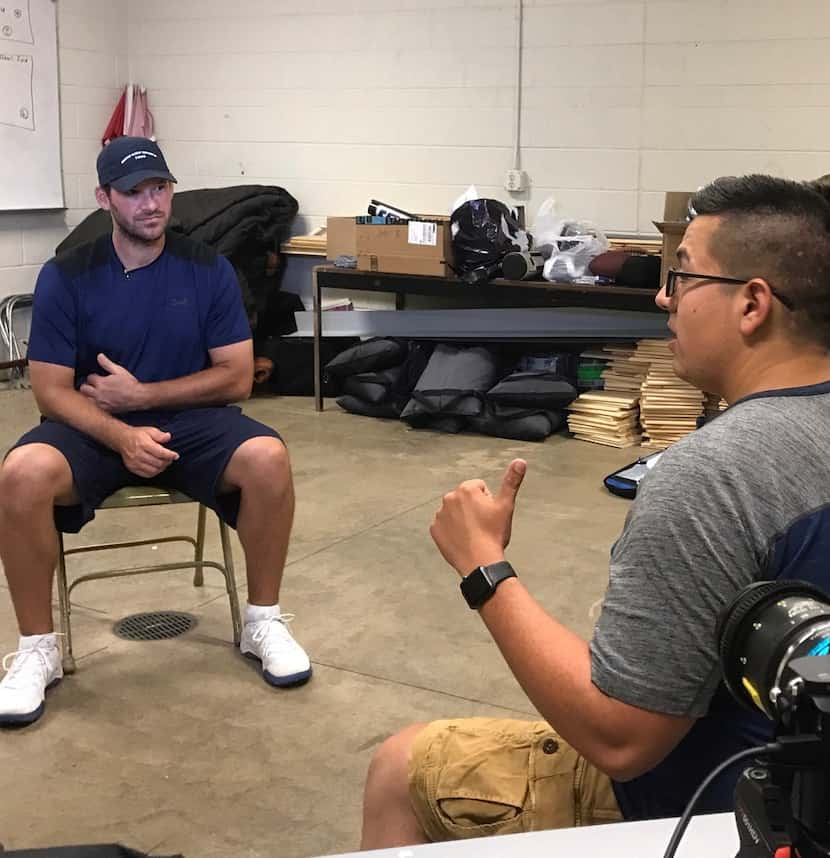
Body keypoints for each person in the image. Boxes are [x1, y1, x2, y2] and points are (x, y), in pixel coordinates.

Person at [360, 174, 830, 847]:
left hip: (728, 813)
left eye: (684, 276)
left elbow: (619, 736)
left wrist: (483, 566)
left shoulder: (712, 477)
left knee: (399, 768)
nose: (664, 296)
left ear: (753, 304)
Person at [0, 136, 311, 727]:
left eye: (160, 188)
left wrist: (143, 397)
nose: (151, 203)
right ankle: (37, 650)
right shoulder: (68, 275)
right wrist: (121, 434)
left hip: (190, 425)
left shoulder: (207, 270)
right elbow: (50, 390)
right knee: (21, 475)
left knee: (268, 457)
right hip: (92, 429)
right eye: (134, 192)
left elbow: (237, 377)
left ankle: (262, 621)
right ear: (105, 198)